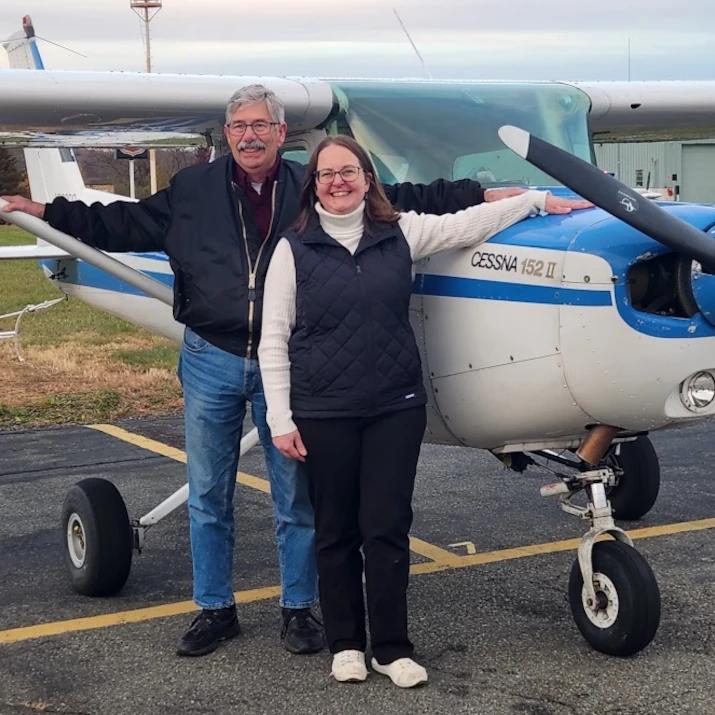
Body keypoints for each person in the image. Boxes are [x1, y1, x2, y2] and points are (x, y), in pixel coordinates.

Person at [2, 85, 588, 659]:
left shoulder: (307, 188)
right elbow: (123, 226)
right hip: (212, 354)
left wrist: (491, 196)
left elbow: (402, 194)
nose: (249, 136)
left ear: (283, 135)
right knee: (210, 493)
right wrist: (42, 210)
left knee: (297, 496)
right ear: (226, 134)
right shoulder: (192, 188)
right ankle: (215, 608)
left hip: (291, 362)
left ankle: (298, 609)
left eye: (261, 126)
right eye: (238, 127)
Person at [258, 135, 591, 687]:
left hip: (395, 406)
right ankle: (345, 643)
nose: (338, 182)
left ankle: (391, 648)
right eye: (326, 174)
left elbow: (466, 224)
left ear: (368, 179)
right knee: (335, 530)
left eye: (349, 171)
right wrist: (279, 418)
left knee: (386, 527)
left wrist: (531, 201)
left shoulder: (401, 231)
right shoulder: (292, 251)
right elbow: (273, 340)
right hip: (324, 410)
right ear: (313, 186)